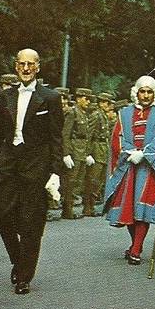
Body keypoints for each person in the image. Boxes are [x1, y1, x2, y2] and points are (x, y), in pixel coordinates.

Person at [0, 49, 64, 295]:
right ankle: (18, 259)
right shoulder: (6, 95)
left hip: (36, 165)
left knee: (32, 221)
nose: (26, 68)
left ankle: (24, 275)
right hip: (8, 163)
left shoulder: (50, 98)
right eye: (22, 64)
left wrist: (54, 172)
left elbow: (56, 137)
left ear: (38, 67)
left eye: (31, 64)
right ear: (16, 66)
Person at [103, 76, 155, 265]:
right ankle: (135, 244)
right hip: (128, 165)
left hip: (149, 167)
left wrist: (146, 154)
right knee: (129, 208)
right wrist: (128, 151)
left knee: (143, 208)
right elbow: (117, 137)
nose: (146, 95)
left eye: (149, 91)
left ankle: (137, 248)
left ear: (154, 93)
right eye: (142, 91)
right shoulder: (124, 113)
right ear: (136, 93)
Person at [61, 88, 93, 219]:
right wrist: (66, 153)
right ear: (79, 98)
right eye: (86, 99)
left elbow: (85, 137)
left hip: (81, 151)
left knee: (76, 182)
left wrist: (87, 153)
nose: (88, 102)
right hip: (74, 151)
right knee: (70, 181)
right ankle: (67, 210)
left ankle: (70, 208)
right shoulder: (72, 113)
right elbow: (65, 134)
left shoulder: (83, 113)